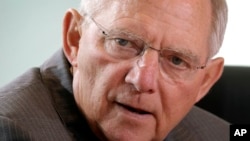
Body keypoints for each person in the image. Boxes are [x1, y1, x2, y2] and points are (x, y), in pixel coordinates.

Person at [0, 0, 229, 140]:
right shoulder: (11, 131)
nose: (143, 80)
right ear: (75, 39)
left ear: (205, 81)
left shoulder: (222, 135)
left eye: (177, 61)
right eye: (123, 42)